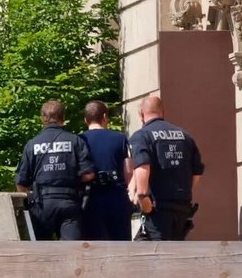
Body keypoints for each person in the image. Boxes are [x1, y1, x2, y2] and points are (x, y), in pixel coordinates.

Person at [15, 100, 95, 240]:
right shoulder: (75, 141)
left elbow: (21, 183)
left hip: (42, 205)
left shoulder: (32, 145)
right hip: (69, 203)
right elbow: (89, 174)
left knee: (42, 253)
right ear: (63, 118)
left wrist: (31, 198)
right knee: (71, 252)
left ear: (43, 119)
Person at [128, 96, 204, 241]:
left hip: (157, 209)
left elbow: (143, 166)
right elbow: (197, 172)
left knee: (155, 256)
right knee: (174, 254)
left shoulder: (142, 136)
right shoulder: (185, 136)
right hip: (181, 208)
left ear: (141, 114)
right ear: (162, 112)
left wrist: (143, 197)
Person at [79, 100, 134, 241]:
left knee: (93, 244)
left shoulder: (79, 140)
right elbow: (129, 171)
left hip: (90, 197)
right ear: (105, 117)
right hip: (117, 196)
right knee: (121, 244)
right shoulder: (120, 138)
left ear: (86, 120)